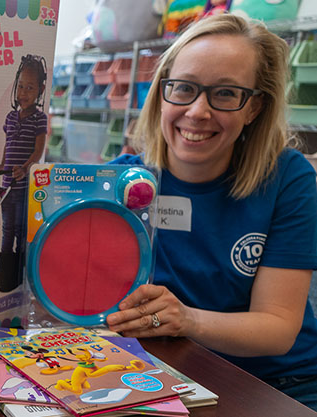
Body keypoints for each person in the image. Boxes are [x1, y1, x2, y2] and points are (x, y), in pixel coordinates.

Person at [104, 14, 317, 410]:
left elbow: (277, 328)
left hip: (280, 381)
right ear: (162, 92)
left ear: (253, 108)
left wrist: (185, 319)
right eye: (183, 88)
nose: (198, 111)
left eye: (224, 94)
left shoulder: (287, 178)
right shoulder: (120, 183)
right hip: (166, 370)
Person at [0, 54, 48, 292]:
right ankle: (5, 270)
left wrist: (25, 169)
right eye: (21, 87)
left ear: (40, 89)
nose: (24, 93)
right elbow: (8, 143)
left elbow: (38, 149)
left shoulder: (40, 118)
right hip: (7, 182)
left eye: (30, 88)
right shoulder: (11, 117)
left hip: (25, 185)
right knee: (7, 227)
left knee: (22, 228)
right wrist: (2, 163)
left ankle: (22, 270)